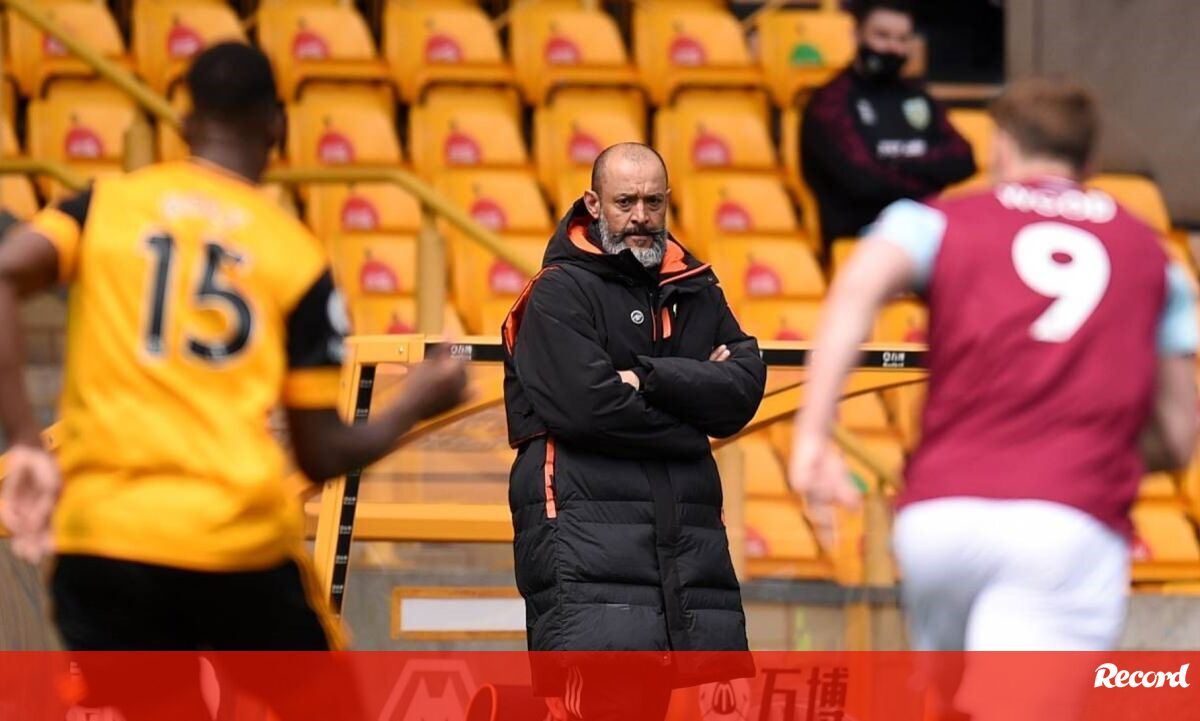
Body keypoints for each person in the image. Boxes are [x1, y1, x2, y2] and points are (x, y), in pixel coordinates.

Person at [0, 42, 469, 717]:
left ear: (185, 122)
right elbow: (321, 453)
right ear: (277, 124)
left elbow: (6, 271)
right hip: (232, 542)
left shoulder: (105, 207)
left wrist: (23, 438)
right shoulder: (294, 254)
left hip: (104, 540)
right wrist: (415, 400)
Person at [790, 76, 1197, 657]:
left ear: (999, 147)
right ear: (1091, 162)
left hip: (942, 520)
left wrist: (813, 431)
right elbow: (1179, 438)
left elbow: (857, 287)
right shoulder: (1155, 258)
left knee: (953, 695)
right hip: (1066, 520)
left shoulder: (933, 221)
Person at [502, 143, 765, 720]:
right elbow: (588, 409)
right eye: (625, 202)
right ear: (594, 204)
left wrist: (646, 378)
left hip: (675, 546)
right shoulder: (558, 291)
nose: (640, 216)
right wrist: (692, 411)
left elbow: (744, 387)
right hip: (587, 546)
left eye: (652, 202)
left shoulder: (693, 284)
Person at [801, 0, 976, 253]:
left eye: (902, 39)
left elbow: (963, 159)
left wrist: (892, 163)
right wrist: (927, 176)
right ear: (857, 34)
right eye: (882, 36)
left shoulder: (917, 97)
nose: (893, 48)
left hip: (924, 229)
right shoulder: (831, 101)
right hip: (860, 238)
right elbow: (863, 182)